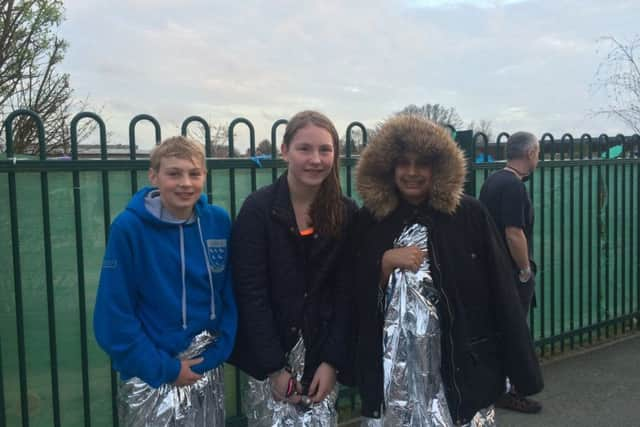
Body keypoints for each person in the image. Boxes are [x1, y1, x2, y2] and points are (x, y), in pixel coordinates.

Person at [352, 115, 543, 426]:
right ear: (388, 167)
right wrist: (384, 262)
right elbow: (353, 294)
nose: (412, 173)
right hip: (395, 374)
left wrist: (521, 369)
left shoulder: (468, 215)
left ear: (438, 168)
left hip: (461, 369)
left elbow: (500, 292)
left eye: (422, 164)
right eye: (403, 163)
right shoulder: (370, 221)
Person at [94, 136, 237, 426]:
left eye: (194, 173)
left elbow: (231, 294)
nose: (185, 183)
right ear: (154, 175)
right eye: (174, 173)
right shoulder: (129, 228)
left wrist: (221, 350)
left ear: (205, 177)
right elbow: (113, 315)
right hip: (153, 374)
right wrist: (164, 368)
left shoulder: (217, 222)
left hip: (205, 370)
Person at [230, 110, 357, 426]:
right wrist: (274, 367)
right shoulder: (257, 211)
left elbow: (347, 294)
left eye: (325, 150)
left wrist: (332, 362)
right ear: (285, 151)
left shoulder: (346, 213)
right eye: (304, 148)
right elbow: (250, 292)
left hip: (321, 364)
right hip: (269, 364)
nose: (316, 159)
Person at [478, 131, 542, 413]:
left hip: (492, 270)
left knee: (498, 331)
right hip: (510, 273)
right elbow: (514, 232)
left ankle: (497, 387)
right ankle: (514, 391)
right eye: (538, 152)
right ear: (530, 154)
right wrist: (525, 269)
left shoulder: (492, 180)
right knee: (515, 332)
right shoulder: (514, 187)